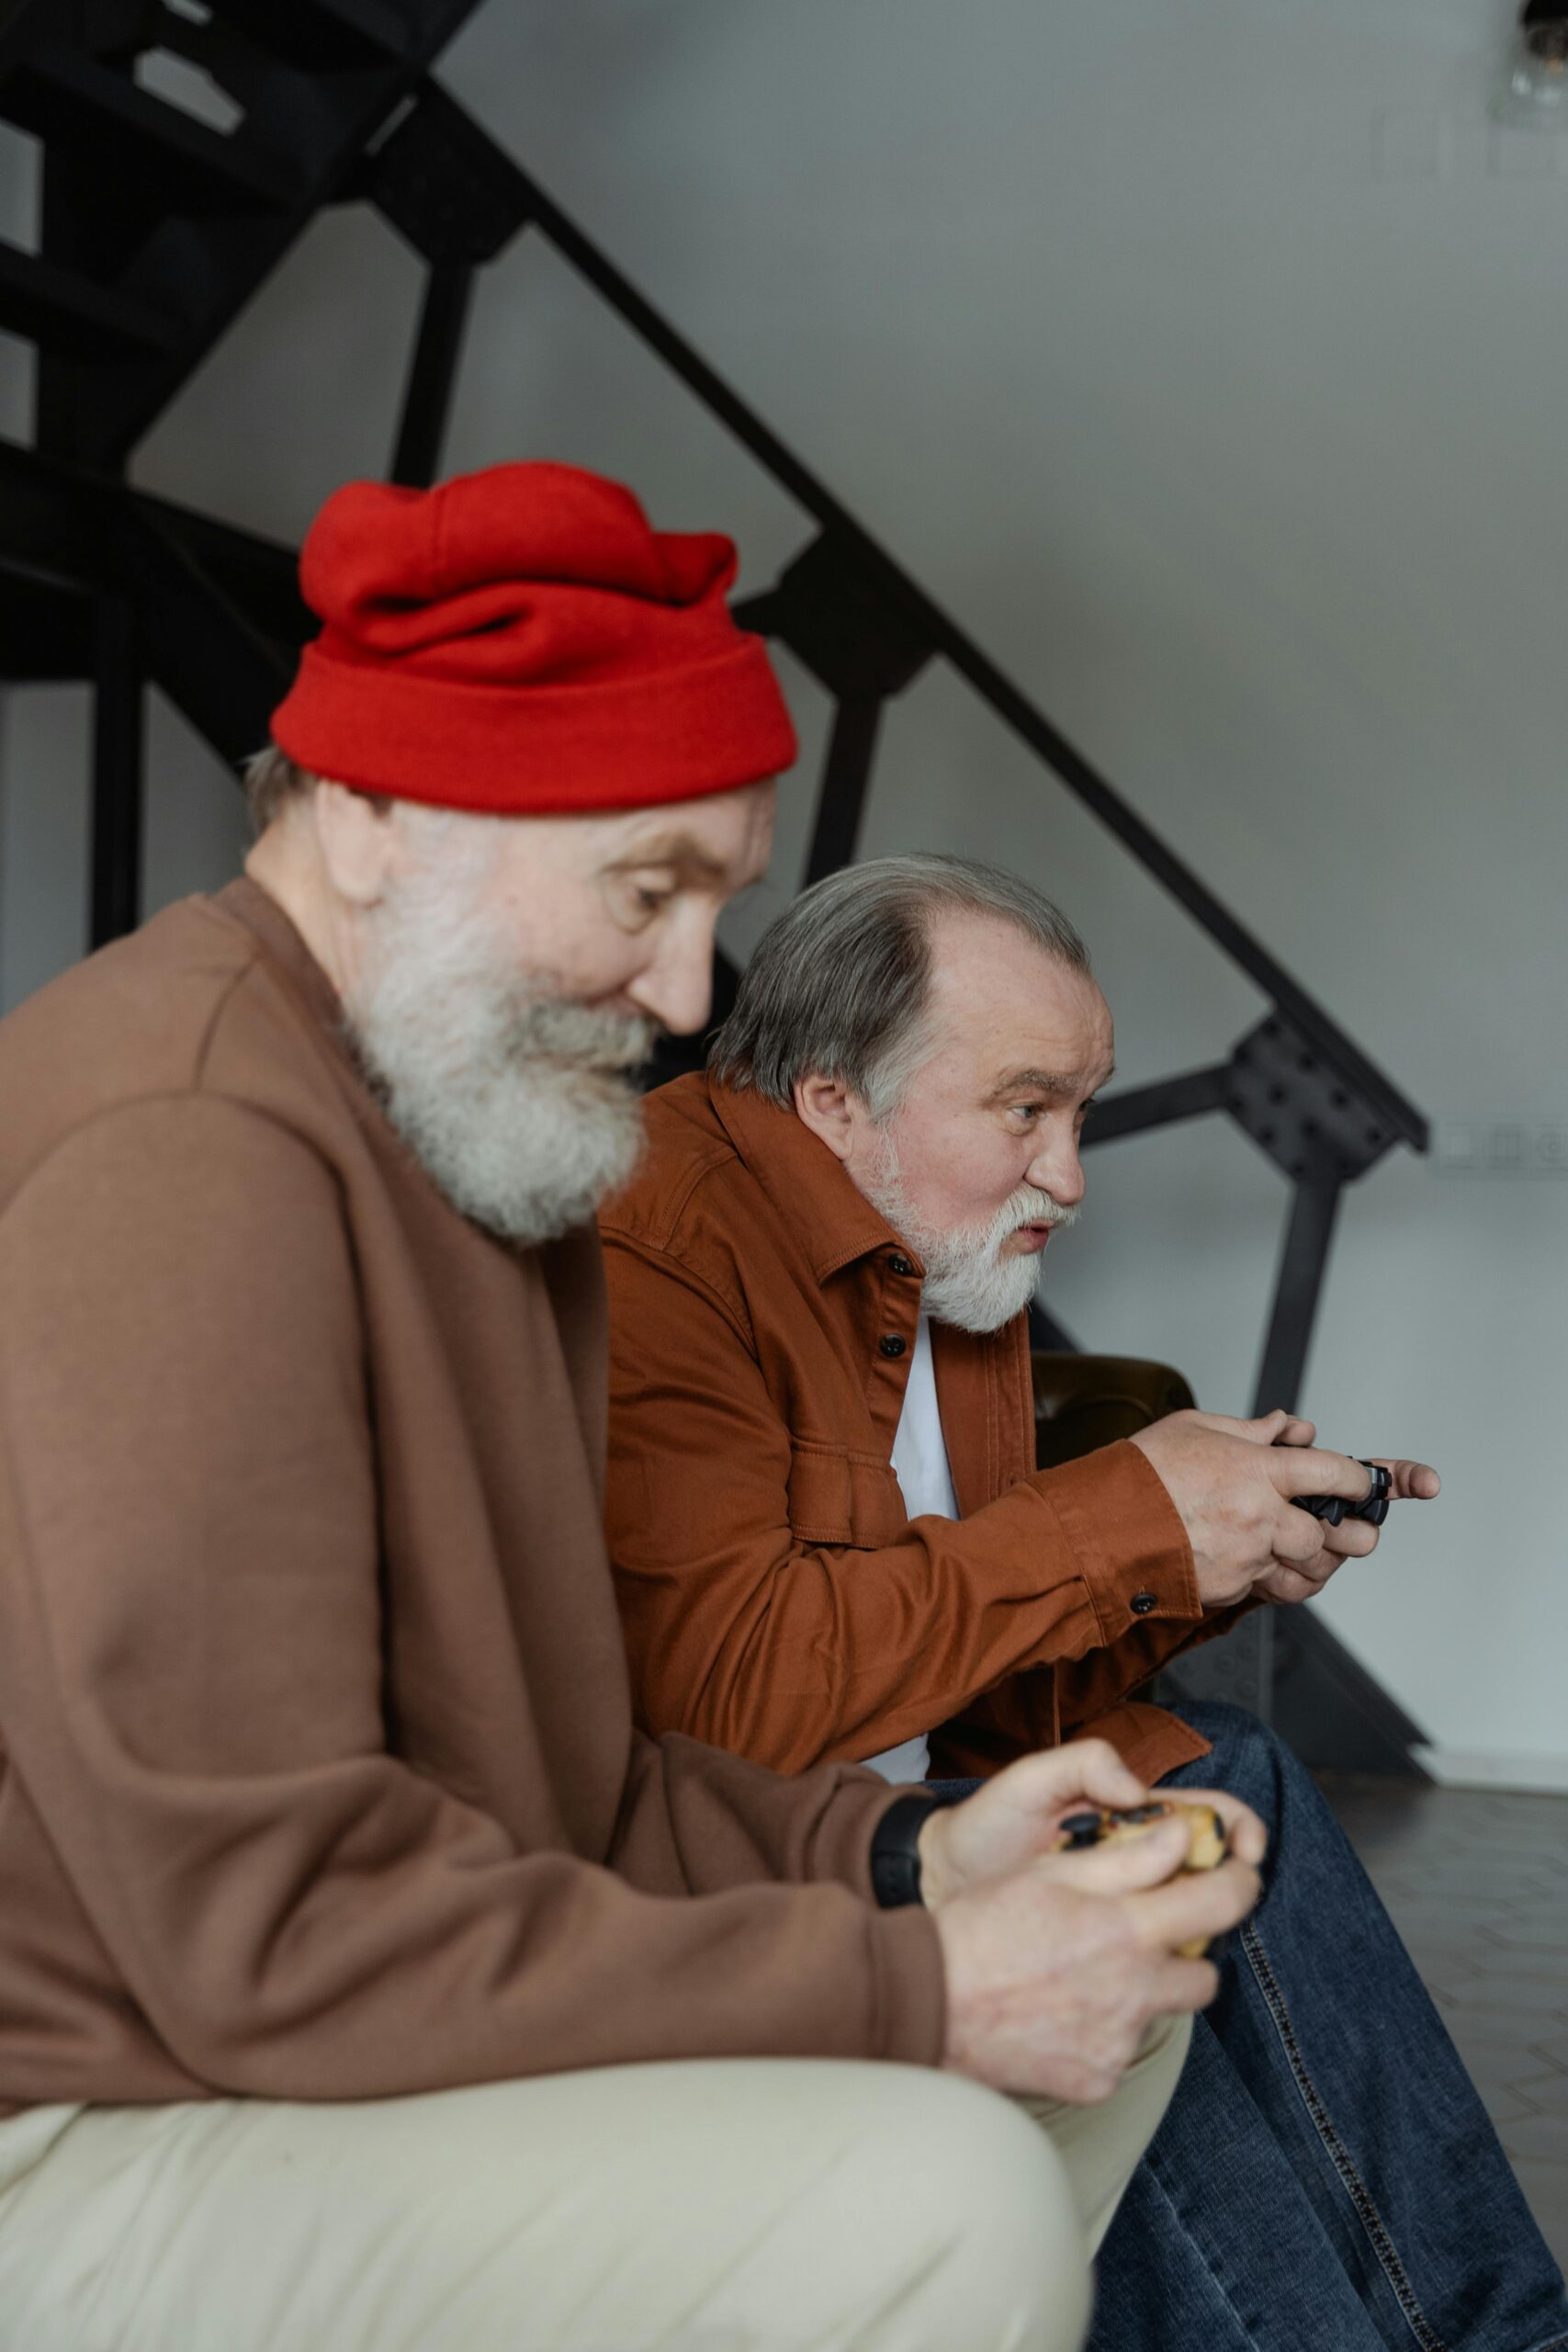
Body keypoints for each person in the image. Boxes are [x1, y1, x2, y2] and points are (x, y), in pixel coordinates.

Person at [0, 462, 1271, 2352]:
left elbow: (562, 1787)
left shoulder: (475, 1137)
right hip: (98, 2119)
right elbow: (268, 1932)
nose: (688, 990)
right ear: (369, 818)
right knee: (938, 2194)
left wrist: (910, 1857)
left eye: (716, 898)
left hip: (296, 2038)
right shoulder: (189, 1142)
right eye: (640, 888)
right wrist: (905, 1991)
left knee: (1109, 2023)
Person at [601, 853, 1568, 2352]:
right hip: (771, 1873)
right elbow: (739, 1695)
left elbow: (980, 1678)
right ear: (834, 1101)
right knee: (1125, 1919)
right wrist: (1130, 1513)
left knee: (1222, 1777)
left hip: (944, 1801)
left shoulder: (957, 1264)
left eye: (1083, 1112)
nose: (1071, 1173)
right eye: (1025, 1108)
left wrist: (1199, 1568)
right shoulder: (658, 1235)